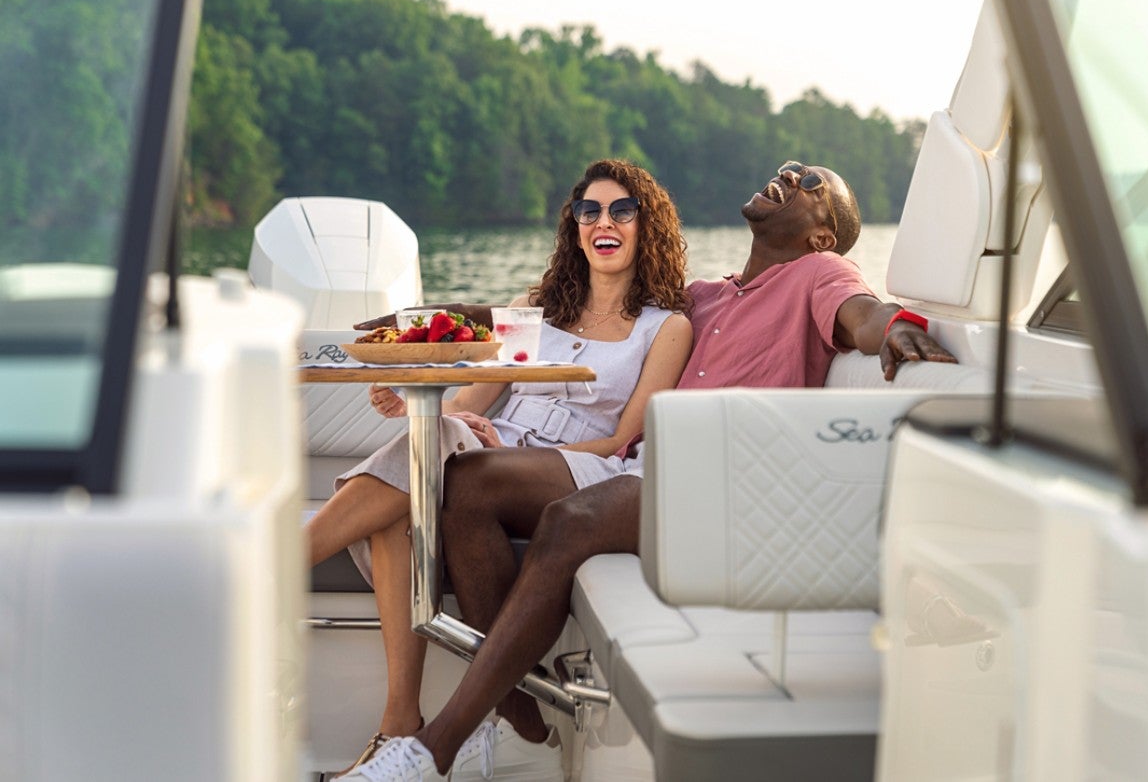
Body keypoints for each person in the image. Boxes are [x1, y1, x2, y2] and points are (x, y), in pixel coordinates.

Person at [339, 161, 958, 781]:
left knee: (570, 520)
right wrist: (421, 320)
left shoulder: (819, 272)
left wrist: (898, 329)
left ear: (822, 235)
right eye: (789, 169)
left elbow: (864, 312)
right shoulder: (707, 296)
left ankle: (430, 750)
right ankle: (526, 732)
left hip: (728, 478)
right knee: (469, 482)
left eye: (810, 184)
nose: (789, 175)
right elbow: (539, 313)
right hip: (650, 467)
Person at [307, 158, 693, 775]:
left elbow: (625, 439)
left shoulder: (664, 327)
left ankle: (285, 556)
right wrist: (414, 404)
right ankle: (400, 720)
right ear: (575, 227)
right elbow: (465, 405)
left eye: (623, 210)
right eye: (590, 210)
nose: (605, 222)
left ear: (648, 226)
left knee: (438, 463)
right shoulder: (532, 311)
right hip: (488, 450)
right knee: (421, 466)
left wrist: (509, 451)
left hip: (578, 467)